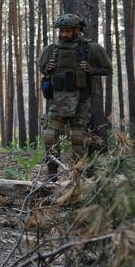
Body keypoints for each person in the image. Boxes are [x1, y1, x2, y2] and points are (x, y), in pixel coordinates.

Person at [38, 13, 112, 177]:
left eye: (68, 30)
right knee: (50, 137)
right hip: (57, 101)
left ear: (77, 30)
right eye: (62, 30)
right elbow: (42, 69)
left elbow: (108, 69)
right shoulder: (52, 49)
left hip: (81, 101)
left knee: (78, 138)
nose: (64, 34)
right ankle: (51, 176)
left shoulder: (92, 48)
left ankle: (81, 177)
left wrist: (91, 70)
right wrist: (48, 68)